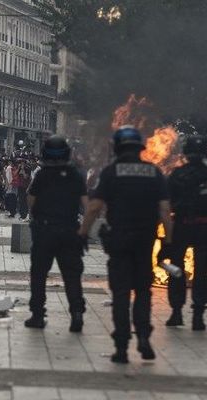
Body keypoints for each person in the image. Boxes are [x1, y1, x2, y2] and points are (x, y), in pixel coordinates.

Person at [78, 126, 173, 364]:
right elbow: (164, 211)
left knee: (120, 293)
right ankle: (143, 337)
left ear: (118, 148)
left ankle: (121, 347)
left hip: (119, 239)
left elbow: (94, 207)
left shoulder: (111, 172)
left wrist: (82, 234)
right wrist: (168, 243)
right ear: (140, 148)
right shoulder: (154, 172)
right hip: (145, 241)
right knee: (143, 291)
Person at [25, 136, 88, 332]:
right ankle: (77, 313)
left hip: (45, 230)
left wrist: (36, 216)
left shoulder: (42, 175)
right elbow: (86, 204)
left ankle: (37, 315)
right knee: (72, 275)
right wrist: (83, 232)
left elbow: (31, 199)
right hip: (69, 229)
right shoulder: (76, 175)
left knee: (39, 274)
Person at [160, 135, 207, 330]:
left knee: (176, 269)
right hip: (204, 228)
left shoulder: (176, 175)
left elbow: (166, 205)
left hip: (180, 226)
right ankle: (197, 316)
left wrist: (166, 236)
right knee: (202, 272)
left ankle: (176, 312)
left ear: (185, 153)